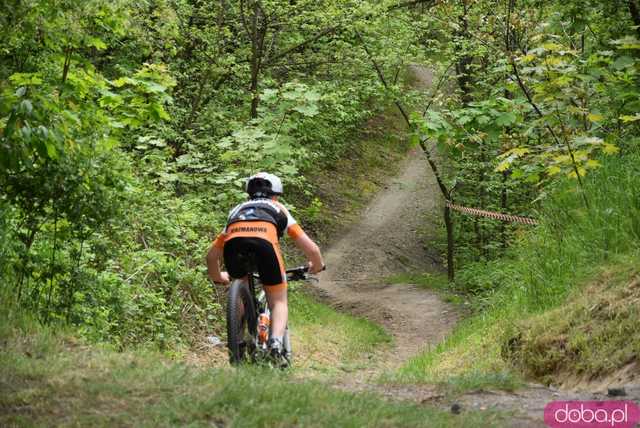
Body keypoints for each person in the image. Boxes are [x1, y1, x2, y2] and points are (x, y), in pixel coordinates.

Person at [207, 172, 324, 362]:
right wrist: (316, 265)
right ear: (276, 195)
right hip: (265, 246)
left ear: (248, 194)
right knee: (278, 300)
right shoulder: (278, 208)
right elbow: (312, 249)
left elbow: (211, 256)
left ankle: (236, 338)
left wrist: (218, 277)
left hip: (233, 246)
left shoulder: (237, 211)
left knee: (241, 282)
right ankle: (275, 344)